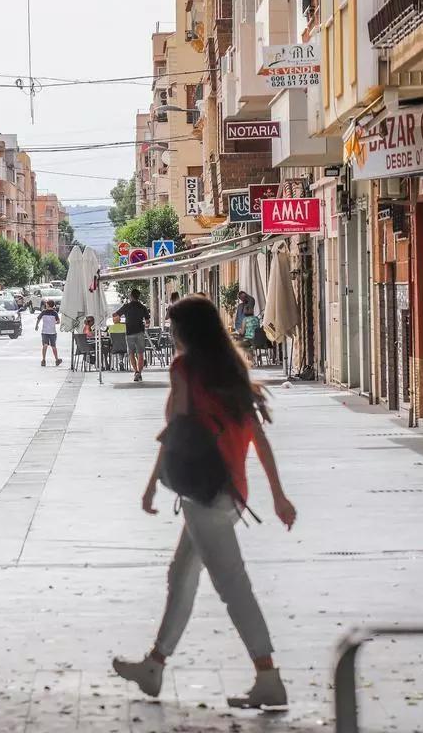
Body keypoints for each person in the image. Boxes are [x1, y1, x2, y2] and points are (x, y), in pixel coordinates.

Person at [112, 295, 297, 710]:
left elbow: (176, 428)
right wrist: (278, 494)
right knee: (182, 574)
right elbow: (258, 437)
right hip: (232, 491)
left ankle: (268, 677)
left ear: (185, 331)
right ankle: (155, 666)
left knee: (233, 587)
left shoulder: (185, 369)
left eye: (174, 327)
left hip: (204, 492)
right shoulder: (232, 367)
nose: (171, 334)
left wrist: (151, 484)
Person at [114, 288, 152, 382]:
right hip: (140, 332)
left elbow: (115, 315)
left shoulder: (126, 306)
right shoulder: (142, 307)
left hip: (129, 333)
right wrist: (145, 325)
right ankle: (139, 373)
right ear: (138, 296)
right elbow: (147, 321)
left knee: (131, 353)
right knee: (140, 354)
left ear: (131, 296)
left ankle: (136, 371)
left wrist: (118, 321)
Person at [35, 300, 62, 367]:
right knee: (53, 346)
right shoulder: (55, 313)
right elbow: (58, 321)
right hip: (52, 332)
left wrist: (36, 325)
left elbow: (38, 319)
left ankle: (43, 360)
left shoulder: (43, 312)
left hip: (44, 332)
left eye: (46, 304)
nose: (45, 305)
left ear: (48, 305)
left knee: (45, 345)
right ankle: (57, 360)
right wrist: (54, 323)